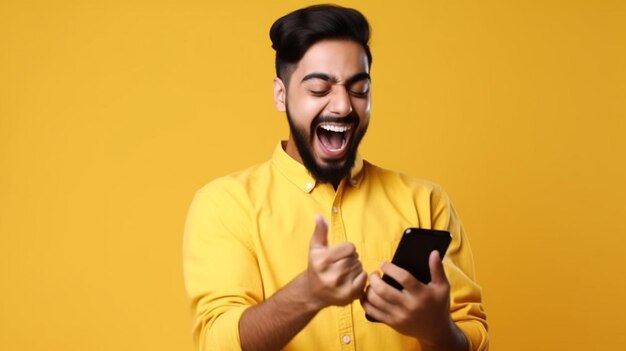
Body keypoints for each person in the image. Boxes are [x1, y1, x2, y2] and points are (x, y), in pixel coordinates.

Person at [183, 4, 488, 351]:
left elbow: (473, 337)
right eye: (319, 90)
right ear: (281, 95)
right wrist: (307, 294)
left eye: (359, 89)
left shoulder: (426, 202)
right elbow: (216, 343)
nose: (343, 106)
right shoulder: (225, 205)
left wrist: (436, 330)